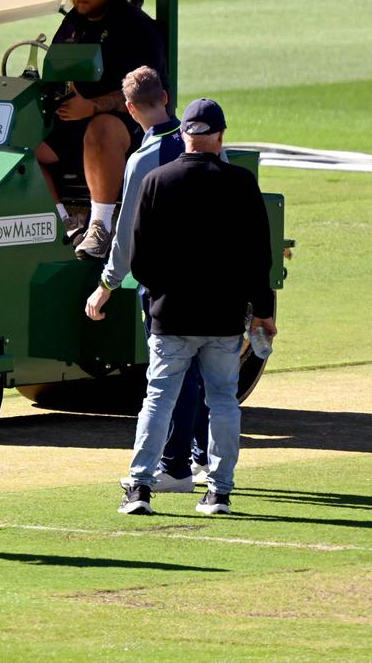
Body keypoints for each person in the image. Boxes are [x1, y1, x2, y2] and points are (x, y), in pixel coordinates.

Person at [117, 98, 276, 516]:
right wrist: (263, 310)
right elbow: (259, 258)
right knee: (223, 401)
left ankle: (140, 488)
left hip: (170, 315)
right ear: (220, 136)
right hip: (223, 318)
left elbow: (139, 261)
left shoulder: (156, 180)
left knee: (158, 399)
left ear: (185, 135)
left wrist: (162, 293)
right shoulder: (241, 184)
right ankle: (219, 492)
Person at [85, 66, 207, 494]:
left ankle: (175, 468)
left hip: (165, 285)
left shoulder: (143, 159)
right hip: (212, 278)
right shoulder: (204, 145)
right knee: (205, 372)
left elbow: (126, 233)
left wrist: (107, 284)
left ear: (131, 108)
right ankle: (202, 458)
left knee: (174, 375)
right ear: (167, 98)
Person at [37, 0, 167, 260]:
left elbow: (147, 94)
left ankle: (100, 227)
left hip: (124, 125)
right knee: (19, 142)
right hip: (72, 122)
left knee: (101, 128)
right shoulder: (73, 22)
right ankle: (65, 224)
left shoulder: (137, 27)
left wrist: (92, 106)